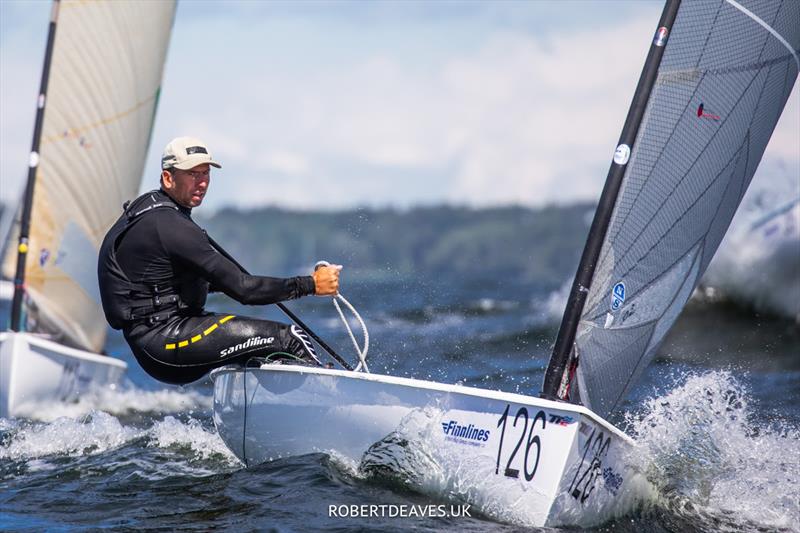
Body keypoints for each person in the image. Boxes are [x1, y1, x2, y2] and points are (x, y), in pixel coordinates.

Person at [98, 136, 341, 384]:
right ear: (168, 178)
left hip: (156, 345)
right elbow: (244, 290)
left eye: (206, 174)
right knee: (289, 338)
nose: (202, 182)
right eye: (193, 174)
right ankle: (334, 397)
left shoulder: (150, 214)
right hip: (167, 342)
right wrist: (310, 285)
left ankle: (264, 414)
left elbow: (172, 280)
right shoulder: (169, 225)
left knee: (265, 353)